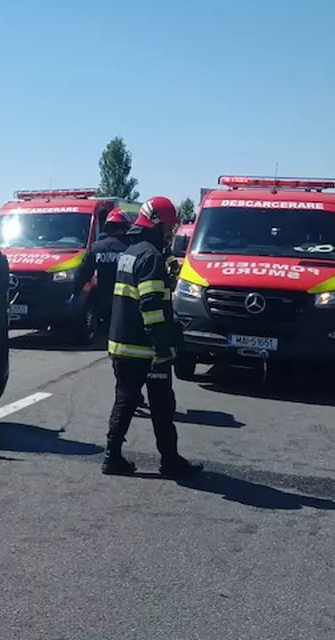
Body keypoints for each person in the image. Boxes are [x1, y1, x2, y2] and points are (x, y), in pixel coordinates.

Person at [102, 196, 202, 478]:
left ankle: (112, 457)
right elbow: (151, 307)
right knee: (162, 406)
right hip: (146, 349)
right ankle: (170, 461)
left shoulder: (132, 252)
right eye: (169, 227)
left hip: (122, 345)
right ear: (157, 224)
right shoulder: (151, 258)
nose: (171, 232)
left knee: (124, 401)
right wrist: (163, 347)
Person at [69, 207, 131, 337]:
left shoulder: (97, 247)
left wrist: (75, 292)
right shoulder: (131, 248)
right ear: (125, 227)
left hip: (103, 299)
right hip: (127, 300)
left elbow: (83, 272)